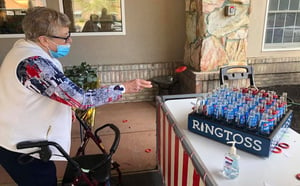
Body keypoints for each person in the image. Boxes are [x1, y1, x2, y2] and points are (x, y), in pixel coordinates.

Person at [0, 7, 152, 186]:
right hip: (21, 150)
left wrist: (65, 108)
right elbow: (82, 99)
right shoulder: (33, 65)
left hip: (19, 139)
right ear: (43, 39)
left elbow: (46, 93)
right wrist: (124, 88)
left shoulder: (23, 50)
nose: (69, 40)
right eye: (65, 37)